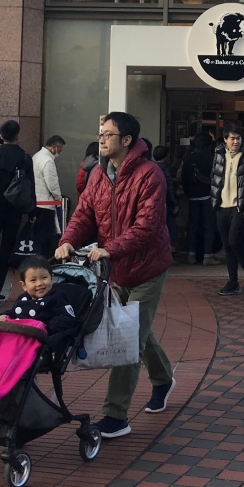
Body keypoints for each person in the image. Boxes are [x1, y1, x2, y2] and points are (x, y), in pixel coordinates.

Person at [56, 111, 174, 439]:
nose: (102, 139)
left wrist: (111, 248)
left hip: (147, 267)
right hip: (117, 268)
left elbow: (147, 226)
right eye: (101, 133)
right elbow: (84, 213)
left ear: (127, 140)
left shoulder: (150, 174)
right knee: (136, 327)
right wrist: (67, 240)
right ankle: (164, 379)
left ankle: (115, 414)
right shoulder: (98, 173)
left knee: (129, 338)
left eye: (108, 134)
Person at [0, 119, 36, 303]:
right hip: (14, 209)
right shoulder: (24, 158)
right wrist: (32, 211)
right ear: (17, 136)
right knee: (6, 248)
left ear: (1, 136)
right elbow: (30, 186)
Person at [210, 126, 244, 296]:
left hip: (239, 206)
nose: (236, 142)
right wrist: (214, 199)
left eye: (238, 138)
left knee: (235, 241)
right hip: (222, 205)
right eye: (232, 138)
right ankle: (233, 281)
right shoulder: (219, 154)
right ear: (225, 140)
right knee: (228, 246)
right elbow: (214, 176)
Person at [182, 134, 216, 264]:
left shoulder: (189, 158)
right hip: (208, 194)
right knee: (208, 226)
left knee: (192, 226)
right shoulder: (212, 157)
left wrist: (188, 193)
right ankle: (208, 255)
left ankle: (190, 255)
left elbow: (184, 178)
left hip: (193, 195)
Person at [31, 134, 65, 257]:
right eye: (60, 149)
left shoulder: (36, 156)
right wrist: (58, 198)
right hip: (46, 205)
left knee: (37, 237)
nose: (60, 152)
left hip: (36, 202)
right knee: (45, 238)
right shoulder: (48, 161)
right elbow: (52, 184)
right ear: (54, 147)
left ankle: (36, 260)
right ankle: (43, 261)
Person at [153, 145, 179, 245]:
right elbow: (170, 188)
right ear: (166, 156)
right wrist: (174, 203)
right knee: (169, 225)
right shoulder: (165, 168)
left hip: (155, 201)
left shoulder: (151, 167)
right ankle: (170, 246)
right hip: (166, 201)